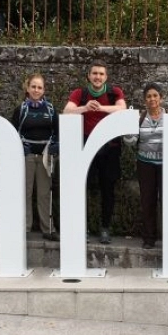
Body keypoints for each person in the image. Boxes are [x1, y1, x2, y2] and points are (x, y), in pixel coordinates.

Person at [63, 60, 127, 244]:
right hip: (85, 148)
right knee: (83, 189)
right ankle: (82, 228)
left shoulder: (114, 92)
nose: (97, 77)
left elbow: (122, 108)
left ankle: (105, 228)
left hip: (110, 149)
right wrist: (85, 107)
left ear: (106, 77)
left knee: (108, 190)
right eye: (94, 73)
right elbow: (67, 111)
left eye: (101, 74)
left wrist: (100, 108)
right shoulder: (80, 93)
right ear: (89, 76)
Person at [11, 73, 59, 241]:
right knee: (25, 192)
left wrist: (55, 146)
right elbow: (12, 132)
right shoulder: (21, 109)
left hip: (45, 155)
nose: (36, 90)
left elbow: (57, 131)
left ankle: (47, 229)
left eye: (39, 87)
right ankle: (25, 228)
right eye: (33, 86)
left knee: (44, 193)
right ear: (27, 88)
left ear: (44, 90)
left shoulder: (51, 109)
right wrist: (20, 147)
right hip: (27, 155)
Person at [123, 82, 165, 249]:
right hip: (145, 163)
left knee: (167, 201)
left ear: (161, 98)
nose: (152, 99)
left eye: (155, 95)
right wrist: (128, 133)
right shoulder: (140, 118)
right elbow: (131, 143)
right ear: (144, 100)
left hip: (165, 165)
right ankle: (149, 238)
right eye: (148, 96)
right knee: (147, 201)